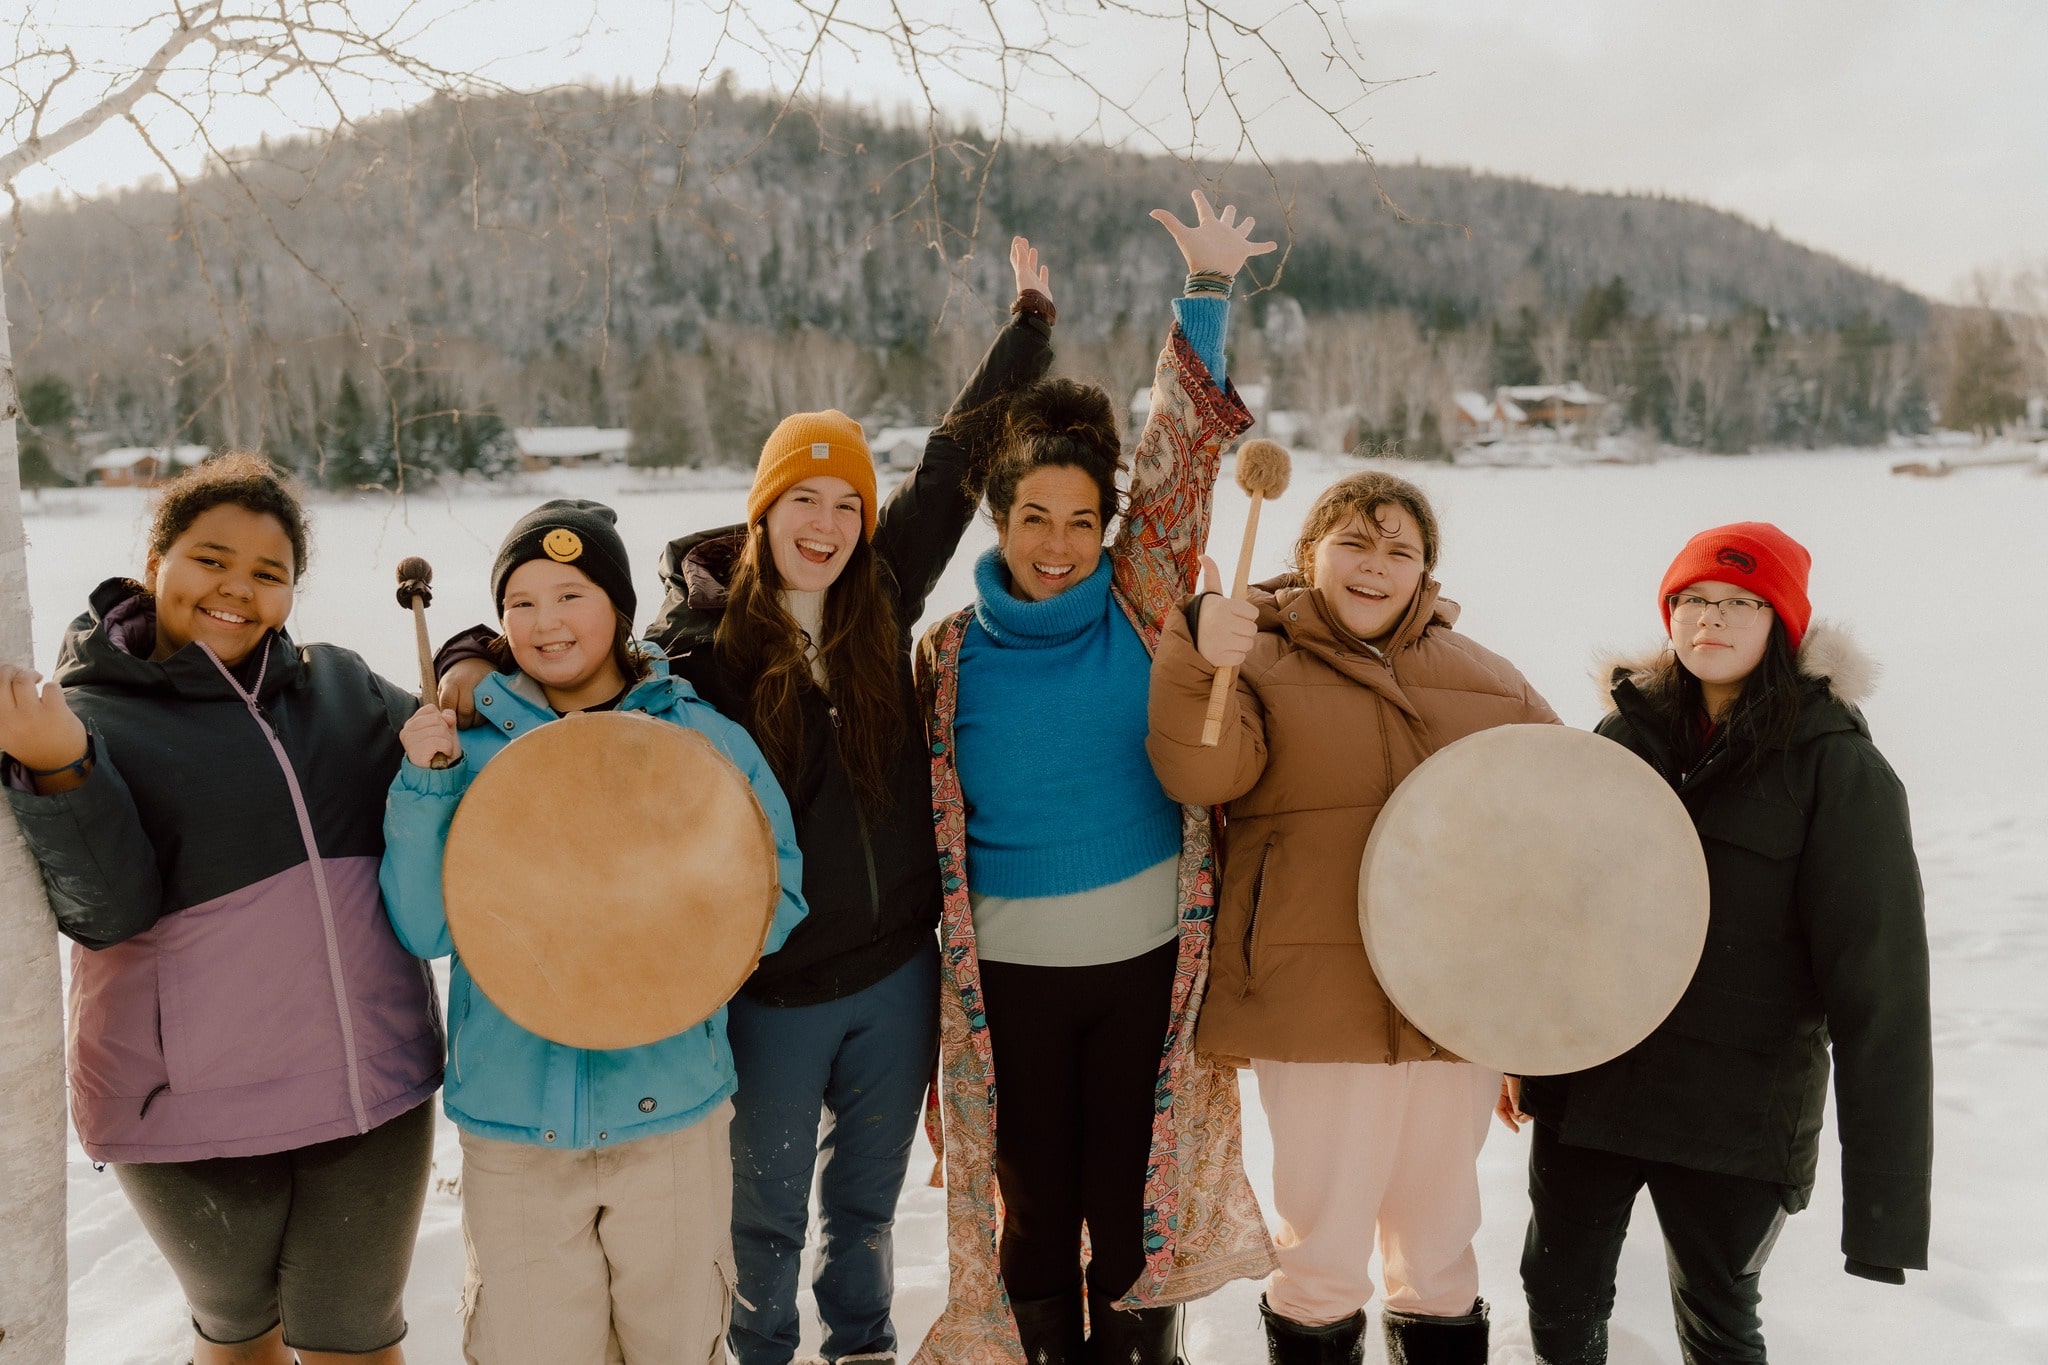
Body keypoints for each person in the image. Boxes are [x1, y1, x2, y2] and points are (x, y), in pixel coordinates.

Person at [434, 243, 1055, 1365]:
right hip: (769, 988)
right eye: (799, 500)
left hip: (894, 971)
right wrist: (470, 652)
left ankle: (858, 1343)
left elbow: (953, 467)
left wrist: (1026, 332)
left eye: (843, 504)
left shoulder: (883, 595)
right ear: (761, 512)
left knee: (864, 1209)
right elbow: (580, 657)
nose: (824, 524)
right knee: (758, 1217)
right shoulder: (703, 650)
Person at [914, 192, 1278, 1365]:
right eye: (1035, 517)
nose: (1060, 541)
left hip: (1141, 968)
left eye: (1081, 517)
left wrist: (1206, 295)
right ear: (1001, 520)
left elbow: (1179, 452)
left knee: (1129, 1201)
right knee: (1034, 1209)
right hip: (1007, 982)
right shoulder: (949, 658)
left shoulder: (1138, 599)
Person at [0, 453, 442, 1365]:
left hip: (371, 1088)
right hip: (186, 1110)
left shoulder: (341, 687)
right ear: (156, 558)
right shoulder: (87, 714)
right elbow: (108, 909)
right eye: (210, 558)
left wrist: (470, 660)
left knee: (356, 1342)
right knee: (240, 1339)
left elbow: (455, 753)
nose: (236, 589)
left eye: (268, 573)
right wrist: (59, 765)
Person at [1146, 469, 1559, 1365]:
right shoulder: (1253, 655)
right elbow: (1201, 773)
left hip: (1451, 1008)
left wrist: (1533, 1009)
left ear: (1425, 573)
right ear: (1309, 555)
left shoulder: (1489, 679)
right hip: (1314, 998)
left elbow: (1557, 826)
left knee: (1441, 1244)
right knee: (1323, 1250)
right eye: (1355, 545)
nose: (1376, 568)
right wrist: (1192, 652)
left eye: (1400, 551)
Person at [380, 499, 806, 1364]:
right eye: (522, 602)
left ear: (616, 605)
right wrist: (426, 789)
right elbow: (425, 925)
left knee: (679, 1343)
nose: (546, 623)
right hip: (515, 1129)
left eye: (570, 595)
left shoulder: (695, 737)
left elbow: (778, 894)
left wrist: (648, 946)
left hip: (671, 1115)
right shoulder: (465, 754)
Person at [1507, 522, 1932, 1365]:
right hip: (1596, 1085)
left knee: (1718, 1323)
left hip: (1738, 1108)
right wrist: (1520, 1044)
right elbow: (1559, 910)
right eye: (1694, 599)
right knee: (1557, 1300)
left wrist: (1884, 1212)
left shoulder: (1837, 768)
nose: (1713, 619)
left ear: (1783, 623)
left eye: (1742, 602)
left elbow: (1879, 988)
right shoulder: (1623, 738)